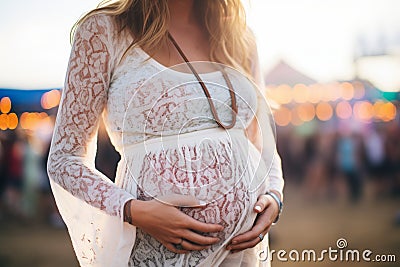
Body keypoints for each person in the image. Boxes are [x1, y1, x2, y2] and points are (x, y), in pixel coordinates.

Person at [47, 0, 285, 266]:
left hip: (240, 251)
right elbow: (63, 159)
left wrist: (275, 195)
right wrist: (132, 210)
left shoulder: (238, 36)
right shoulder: (103, 30)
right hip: (153, 248)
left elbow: (262, 139)